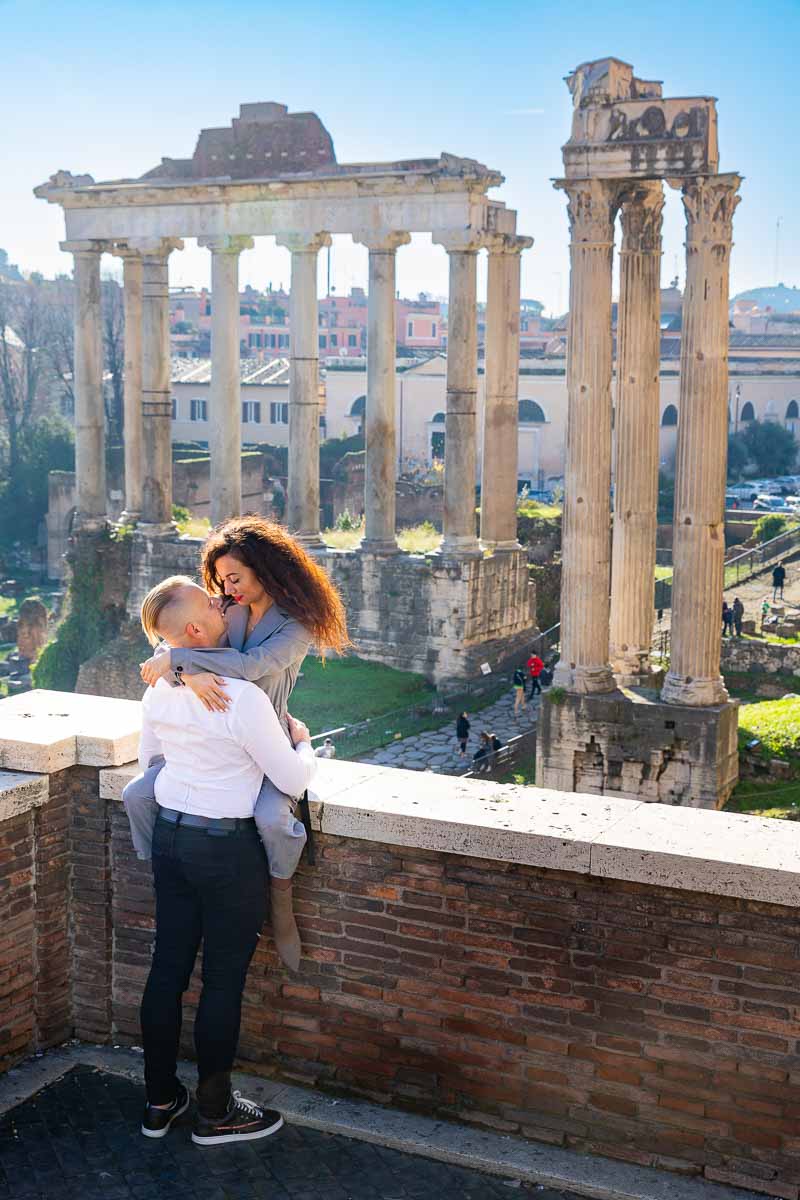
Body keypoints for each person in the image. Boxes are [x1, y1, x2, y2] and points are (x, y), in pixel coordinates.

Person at [132, 577, 316, 1146]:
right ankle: (217, 1114)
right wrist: (304, 742)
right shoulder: (244, 698)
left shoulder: (159, 688)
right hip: (225, 849)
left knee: (167, 970)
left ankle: (160, 1101)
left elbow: (150, 763)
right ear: (194, 631)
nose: (221, 603)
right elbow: (290, 778)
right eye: (211, 602)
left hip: (169, 837)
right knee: (222, 981)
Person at [127, 514, 349, 972]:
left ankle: (282, 902)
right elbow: (170, 642)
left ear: (265, 569)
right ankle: (158, 870)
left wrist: (183, 662)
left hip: (268, 736)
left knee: (270, 816)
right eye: (221, 580)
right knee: (137, 793)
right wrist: (186, 670)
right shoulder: (231, 606)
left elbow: (250, 665)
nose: (226, 590)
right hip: (222, 740)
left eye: (234, 578)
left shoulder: (298, 623)